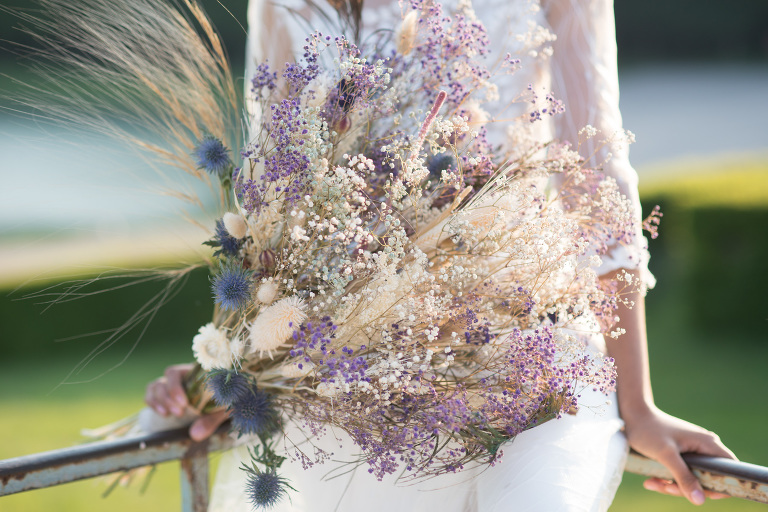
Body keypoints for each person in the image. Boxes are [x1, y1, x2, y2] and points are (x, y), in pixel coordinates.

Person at [145, 0, 735, 509]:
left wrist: (638, 400)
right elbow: (275, 195)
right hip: (361, 375)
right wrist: (238, 357)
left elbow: (597, 172)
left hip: (533, 350)